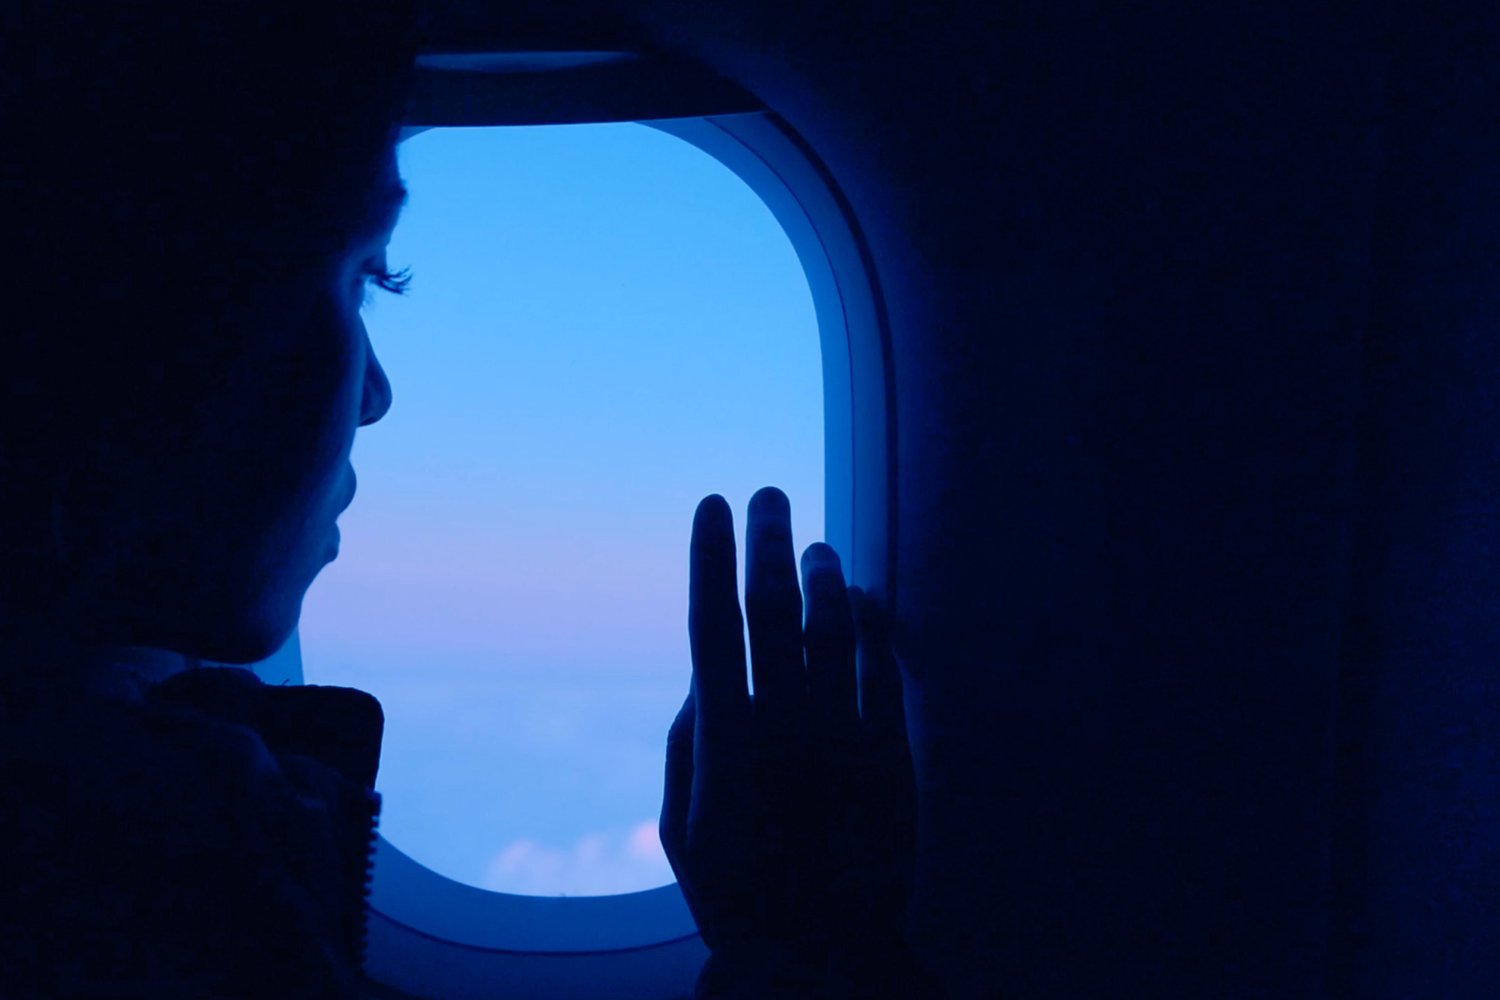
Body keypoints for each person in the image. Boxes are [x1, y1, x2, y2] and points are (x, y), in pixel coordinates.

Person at [0, 2, 931, 996]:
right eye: (367, 276)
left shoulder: (126, 840)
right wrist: (799, 951)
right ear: (156, 327)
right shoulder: (140, 910)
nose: (376, 395)